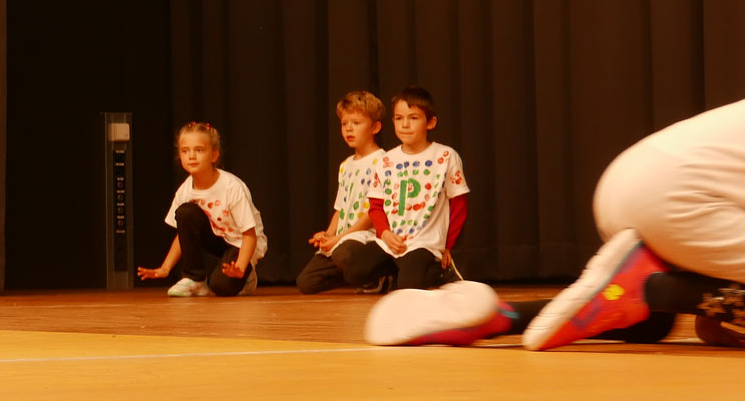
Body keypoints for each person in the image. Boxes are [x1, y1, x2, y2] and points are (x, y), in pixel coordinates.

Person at [366, 98, 745, 349]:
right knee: (650, 297)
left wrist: (714, 309)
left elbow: (710, 328)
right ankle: (651, 288)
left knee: (652, 325)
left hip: (634, 182)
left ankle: (503, 317)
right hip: (680, 195)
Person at [136, 122, 266, 296]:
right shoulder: (185, 190)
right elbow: (182, 233)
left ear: (214, 155)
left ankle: (247, 276)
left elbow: (250, 235)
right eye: (185, 151)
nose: (191, 156)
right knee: (185, 212)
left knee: (221, 287)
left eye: (199, 150)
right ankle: (194, 279)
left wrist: (241, 267)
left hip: (242, 243)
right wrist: (165, 268)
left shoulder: (231, 187)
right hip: (217, 238)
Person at [297, 90, 396, 294]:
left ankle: (379, 273)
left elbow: (372, 212)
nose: (349, 129)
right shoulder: (345, 165)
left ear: (375, 127)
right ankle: (357, 276)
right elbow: (341, 209)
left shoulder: (384, 161)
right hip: (344, 239)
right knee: (306, 282)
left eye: (356, 123)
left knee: (345, 254)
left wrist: (341, 237)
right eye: (344, 124)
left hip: (366, 239)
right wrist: (328, 235)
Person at [370, 87, 468, 290]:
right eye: (398, 118)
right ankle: (393, 273)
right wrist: (385, 233)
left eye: (413, 118)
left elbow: (459, 205)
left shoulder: (446, 156)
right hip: (392, 241)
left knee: (408, 287)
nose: (405, 125)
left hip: (424, 242)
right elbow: (376, 205)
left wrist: (447, 247)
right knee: (353, 266)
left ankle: (438, 271)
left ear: (430, 122)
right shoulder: (385, 160)